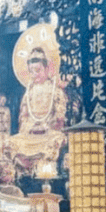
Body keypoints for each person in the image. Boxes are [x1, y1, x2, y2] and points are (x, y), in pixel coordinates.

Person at [7, 47, 69, 178]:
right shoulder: (28, 92)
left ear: (47, 69)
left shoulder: (55, 91)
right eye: (32, 71)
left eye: (38, 70)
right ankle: (20, 174)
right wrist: (31, 127)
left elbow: (60, 117)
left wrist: (46, 126)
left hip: (49, 133)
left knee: (55, 140)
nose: (35, 74)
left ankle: (45, 172)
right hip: (30, 135)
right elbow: (23, 118)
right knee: (11, 142)